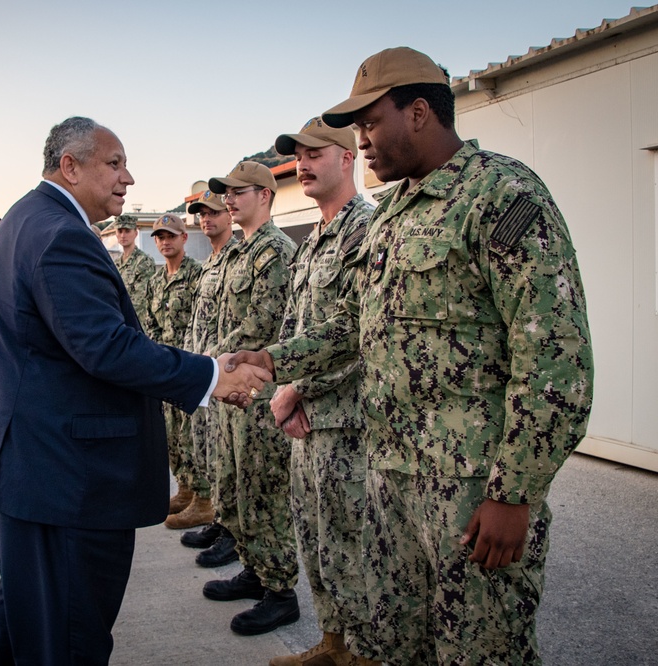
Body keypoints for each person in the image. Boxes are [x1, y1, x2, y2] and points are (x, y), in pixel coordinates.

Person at [231, 47, 594, 665]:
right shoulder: (395, 213)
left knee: (480, 650)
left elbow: (556, 364)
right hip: (390, 482)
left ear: (420, 112)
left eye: (371, 124)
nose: (363, 141)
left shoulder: (501, 195)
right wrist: (272, 357)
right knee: (396, 647)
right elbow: (357, 324)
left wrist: (514, 492)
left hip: (470, 492)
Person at [0, 116, 269, 665]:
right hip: (60, 479)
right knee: (69, 638)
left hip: (23, 467)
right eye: (114, 163)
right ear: (69, 167)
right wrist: (212, 377)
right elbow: (105, 347)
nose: (128, 178)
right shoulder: (59, 235)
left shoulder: (27, 220)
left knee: (31, 622)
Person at [268, 118, 378, 666]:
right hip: (308, 421)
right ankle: (333, 644)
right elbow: (294, 327)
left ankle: (361, 652)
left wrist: (294, 391)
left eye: (315, 153)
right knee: (316, 539)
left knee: (353, 543)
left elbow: (360, 333)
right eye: (298, 157)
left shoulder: (368, 229)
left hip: (349, 424)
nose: (303, 164)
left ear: (347, 157)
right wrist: (287, 390)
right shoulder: (313, 241)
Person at [202, 161, 300, 637]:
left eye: (238, 192)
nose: (229, 200)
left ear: (265, 194)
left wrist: (213, 362)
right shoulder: (239, 252)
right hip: (231, 393)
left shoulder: (274, 251)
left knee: (264, 491)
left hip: (257, 395)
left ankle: (280, 591)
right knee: (234, 487)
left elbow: (263, 323)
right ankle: (255, 570)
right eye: (227, 193)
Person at [179, 191, 240, 564]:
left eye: (214, 211)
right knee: (213, 457)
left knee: (233, 466)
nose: (207, 219)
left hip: (228, 374)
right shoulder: (210, 263)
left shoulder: (238, 256)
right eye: (201, 213)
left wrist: (211, 363)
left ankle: (232, 533)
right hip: (207, 375)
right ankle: (220, 519)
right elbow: (198, 321)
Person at [144, 213, 209, 529]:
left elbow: (202, 321)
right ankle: (184, 489)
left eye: (171, 235)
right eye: (159, 236)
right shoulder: (155, 281)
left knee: (195, 434)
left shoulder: (197, 275)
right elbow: (151, 324)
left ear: (184, 238)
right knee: (172, 435)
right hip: (164, 370)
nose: (165, 241)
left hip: (190, 368)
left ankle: (205, 498)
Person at [113, 213, 156, 317]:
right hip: (119, 318)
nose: (123, 235)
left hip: (137, 321)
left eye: (127, 231)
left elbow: (141, 300)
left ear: (136, 233)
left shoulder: (144, 261)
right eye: (120, 231)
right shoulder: (116, 263)